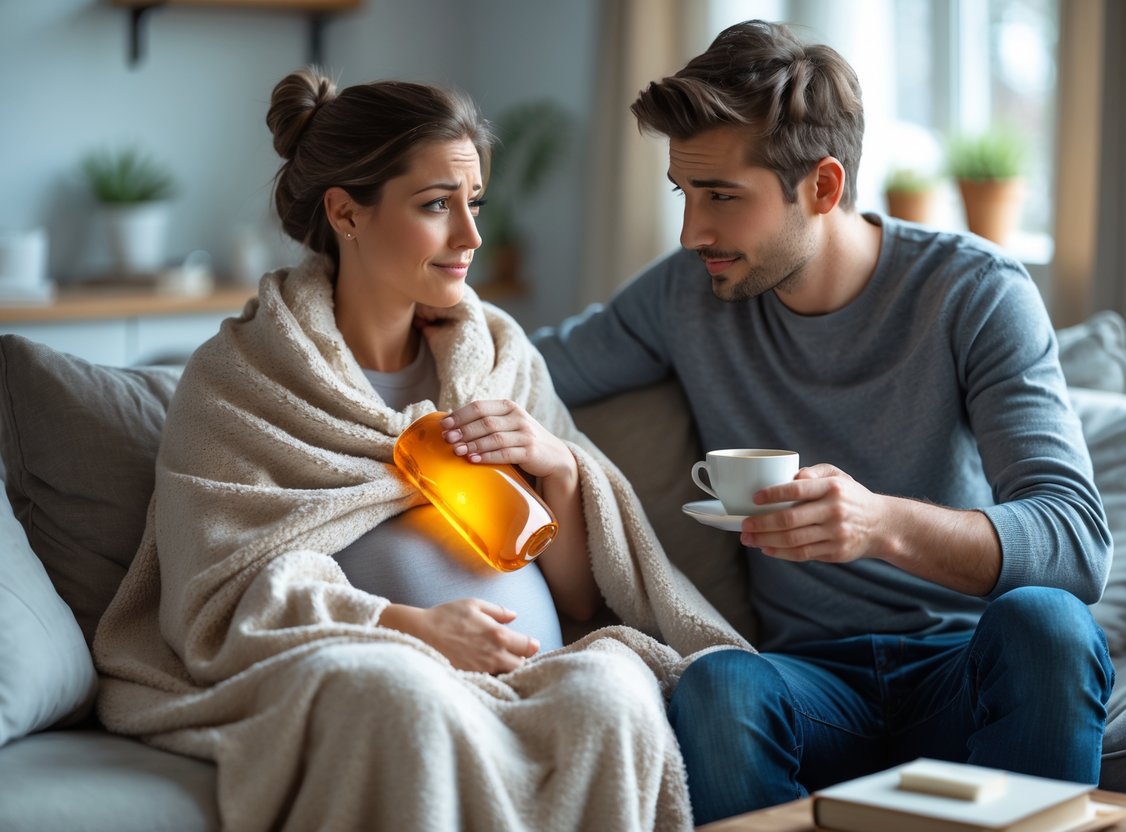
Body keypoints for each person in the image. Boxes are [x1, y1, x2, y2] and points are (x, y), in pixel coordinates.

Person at [92, 69, 746, 832]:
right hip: (376, 656)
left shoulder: (502, 355)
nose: (470, 237)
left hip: (533, 662)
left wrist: (559, 468)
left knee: (612, 691)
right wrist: (414, 629)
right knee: (403, 697)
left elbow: (578, 603)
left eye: (473, 205)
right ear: (346, 213)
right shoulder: (240, 379)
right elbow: (218, 594)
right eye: (437, 206)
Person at [532, 19, 1115, 825]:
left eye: (721, 197)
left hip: (963, 676)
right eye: (684, 192)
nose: (691, 231)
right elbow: (527, 363)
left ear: (823, 187)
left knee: (1048, 624)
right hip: (810, 690)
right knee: (716, 681)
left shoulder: (973, 292)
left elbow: (1075, 543)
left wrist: (880, 525)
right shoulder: (685, 295)